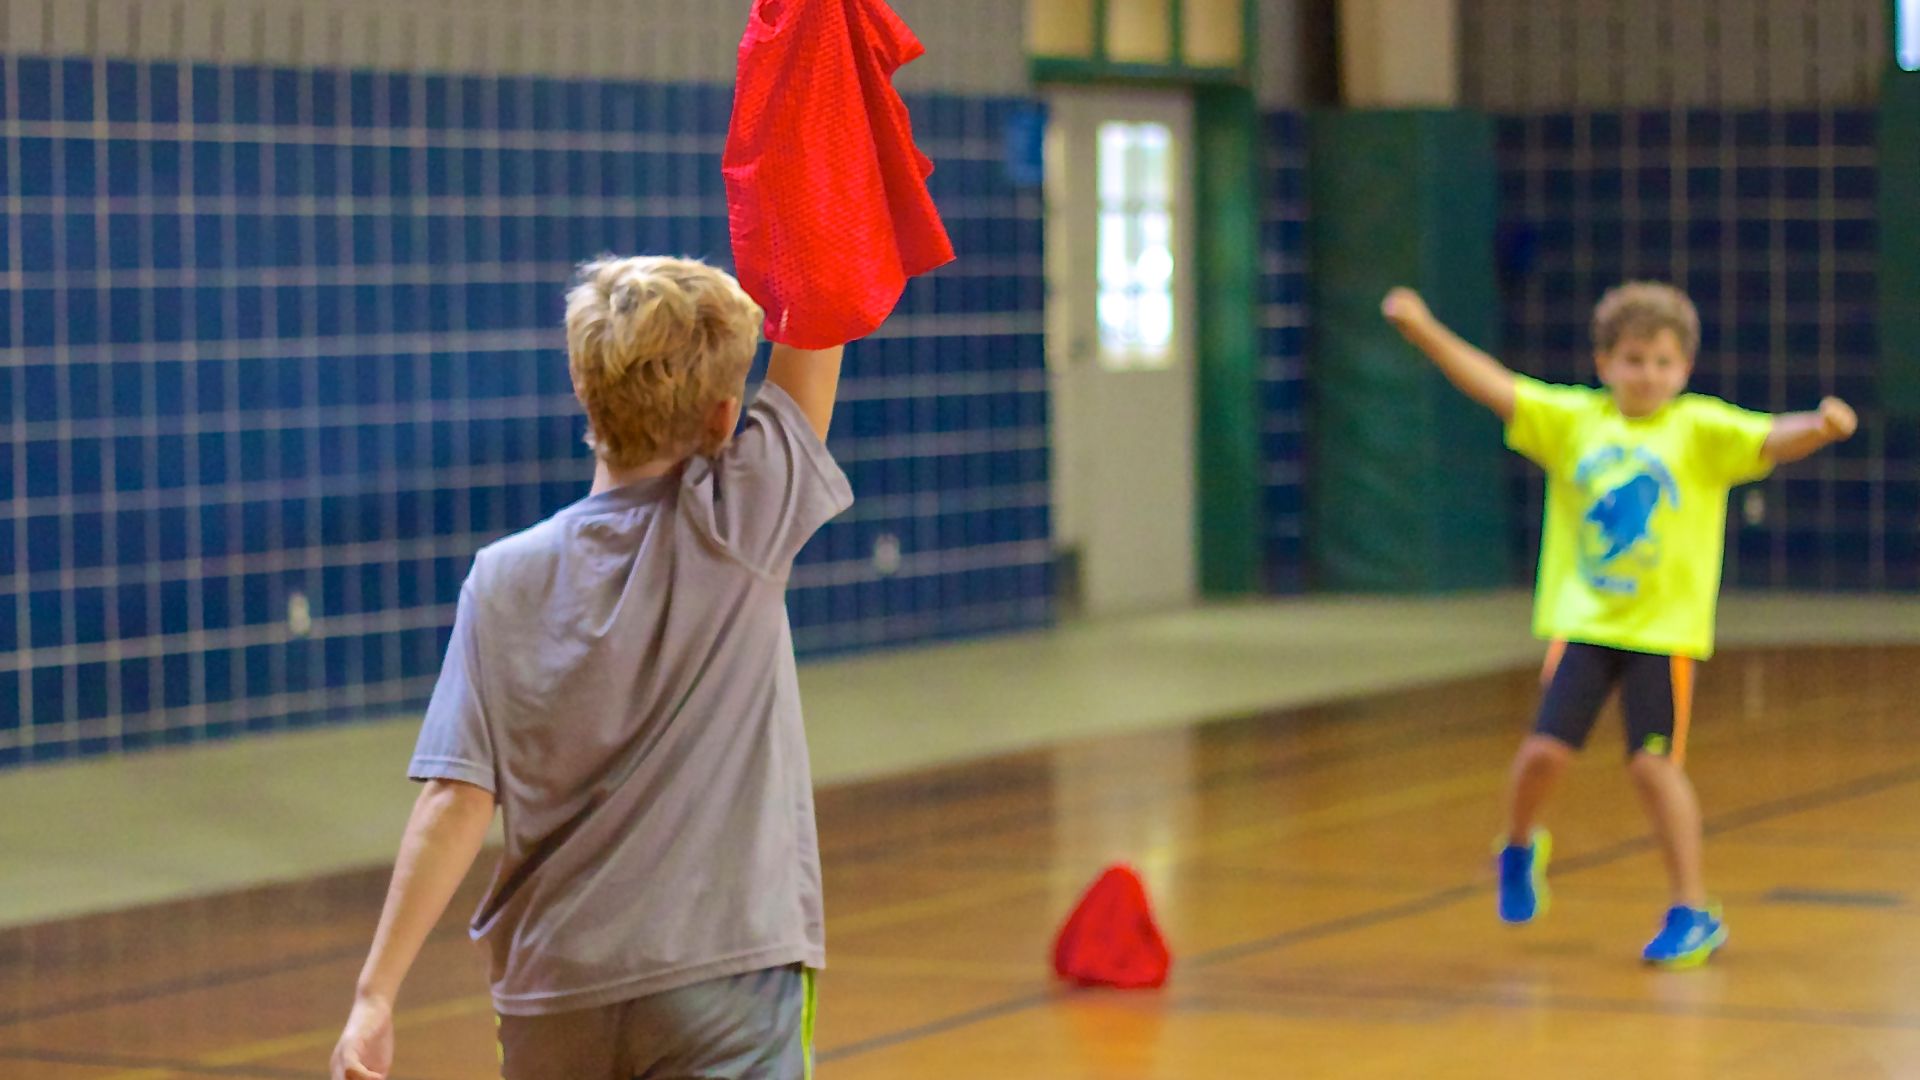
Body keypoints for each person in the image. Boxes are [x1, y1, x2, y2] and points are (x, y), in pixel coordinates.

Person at [331, 255, 850, 1079]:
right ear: (724, 421)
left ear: (583, 385)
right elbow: (821, 317)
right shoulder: (738, 526)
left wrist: (375, 994)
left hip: (555, 991)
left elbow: (455, 800)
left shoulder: (501, 580)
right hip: (724, 977)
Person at [1382, 280, 1858, 967]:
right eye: (1634, 360)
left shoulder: (1698, 429)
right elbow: (1494, 386)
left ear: (1684, 370)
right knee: (1544, 753)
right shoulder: (1574, 421)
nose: (1648, 375)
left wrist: (1819, 427)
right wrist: (1423, 329)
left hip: (1662, 634)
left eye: (1663, 363)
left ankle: (1693, 910)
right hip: (1584, 622)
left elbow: (1770, 437)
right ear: (1604, 363)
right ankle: (1518, 846)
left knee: (1652, 766)